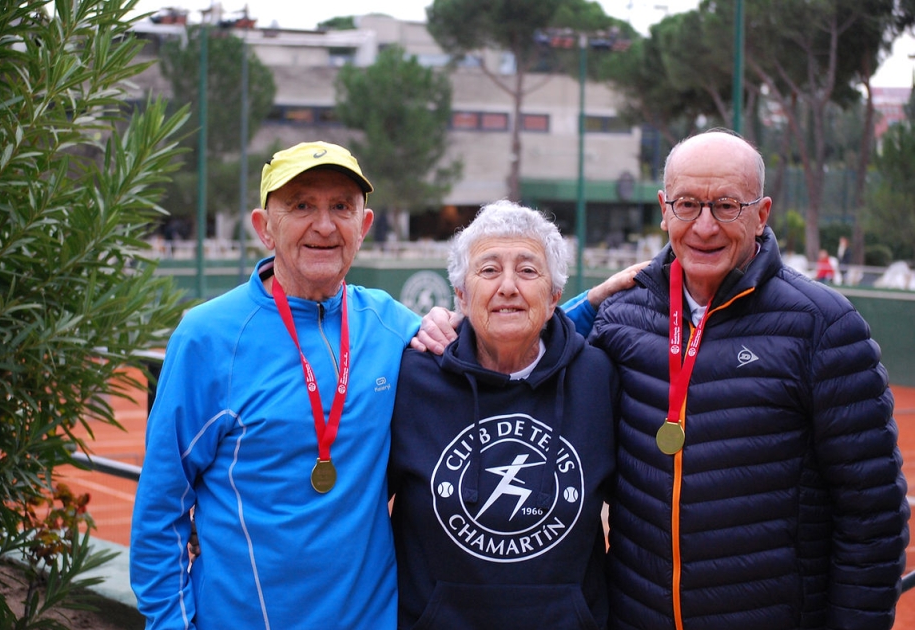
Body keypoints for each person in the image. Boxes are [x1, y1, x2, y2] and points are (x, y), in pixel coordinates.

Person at [419, 129, 910, 629]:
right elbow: (536, 341)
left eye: (726, 206)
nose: (704, 226)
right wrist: (467, 321)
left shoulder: (823, 326)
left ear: (761, 214)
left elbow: (873, 514)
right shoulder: (621, 317)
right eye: (688, 204)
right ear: (663, 209)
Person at [130, 141, 422, 630]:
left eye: (341, 207)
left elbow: (503, 335)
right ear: (265, 228)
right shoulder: (207, 338)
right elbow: (161, 506)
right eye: (302, 205)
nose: (325, 226)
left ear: (364, 227)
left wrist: (588, 306)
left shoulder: (392, 323)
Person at [390, 200, 618, 629]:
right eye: (489, 270)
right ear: (460, 294)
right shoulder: (413, 376)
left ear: (554, 297)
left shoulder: (597, 378)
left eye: (528, 271)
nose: (508, 286)